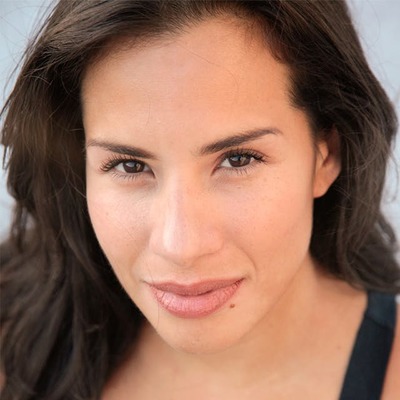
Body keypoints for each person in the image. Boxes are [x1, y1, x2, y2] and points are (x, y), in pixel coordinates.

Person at [0, 0, 399, 399]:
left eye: (238, 159)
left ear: (325, 156)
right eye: (130, 166)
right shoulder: (12, 340)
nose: (181, 247)